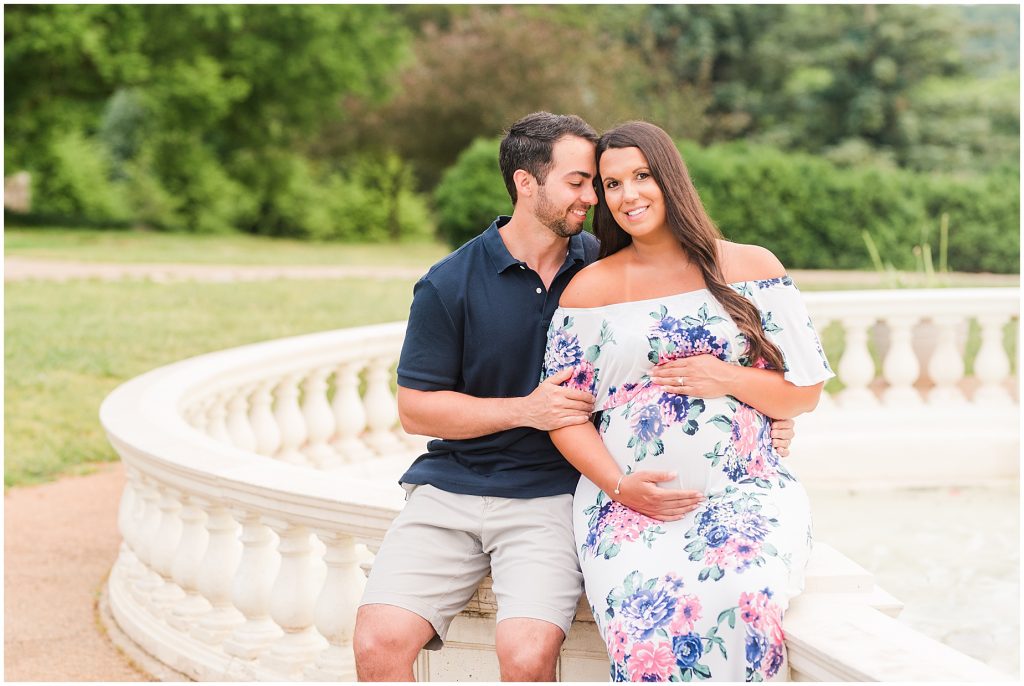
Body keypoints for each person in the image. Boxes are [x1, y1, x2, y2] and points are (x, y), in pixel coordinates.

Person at [353, 112, 795, 682]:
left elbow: (715, 348)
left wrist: (766, 411)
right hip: (452, 489)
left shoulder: (603, 269)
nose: (594, 198)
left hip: (551, 496)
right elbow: (414, 409)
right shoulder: (450, 282)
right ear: (525, 184)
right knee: (377, 642)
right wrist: (526, 411)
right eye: (579, 182)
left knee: (526, 654)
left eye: (597, 183)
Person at [543, 121, 834, 681]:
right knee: (640, 617)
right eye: (612, 184)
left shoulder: (753, 268)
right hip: (627, 506)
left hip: (743, 491)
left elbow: (806, 392)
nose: (628, 195)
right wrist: (619, 486)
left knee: (746, 594)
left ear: (670, 178)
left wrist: (726, 377)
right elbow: (565, 414)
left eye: (642, 176)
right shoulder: (590, 289)